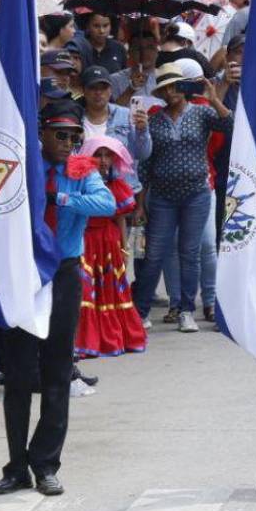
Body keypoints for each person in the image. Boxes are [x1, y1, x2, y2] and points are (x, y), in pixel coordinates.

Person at [0, 102, 115, 498]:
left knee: (57, 372)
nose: (67, 142)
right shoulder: (24, 165)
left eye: (74, 136)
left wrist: (61, 199)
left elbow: (107, 204)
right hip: (22, 273)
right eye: (59, 134)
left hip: (61, 272)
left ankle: (46, 464)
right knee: (19, 374)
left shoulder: (80, 170)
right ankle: (16, 466)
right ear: (41, 133)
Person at [132, 63, 232, 333]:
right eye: (166, 87)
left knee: (190, 253)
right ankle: (140, 312)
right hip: (162, 195)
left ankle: (187, 310)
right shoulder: (153, 120)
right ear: (161, 92)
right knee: (154, 254)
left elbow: (230, 125)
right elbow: (143, 165)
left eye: (176, 85)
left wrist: (214, 99)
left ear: (185, 88)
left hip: (196, 193)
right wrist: (140, 204)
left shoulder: (201, 112)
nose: (172, 91)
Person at [73, 136, 148, 359]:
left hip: (109, 244)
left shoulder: (118, 186)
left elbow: (121, 220)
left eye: (108, 155)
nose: (103, 160)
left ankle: (112, 339)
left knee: (110, 290)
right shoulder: (78, 182)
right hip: (84, 241)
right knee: (84, 292)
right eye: (98, 154)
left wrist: (125, 251)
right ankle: (83, 342)